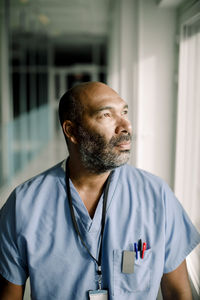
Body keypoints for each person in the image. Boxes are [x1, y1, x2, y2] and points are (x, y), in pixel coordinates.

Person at [0, 81, 199, 300]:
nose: (125, 126)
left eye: (124, 112)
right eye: (106, 115)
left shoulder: (156, 195)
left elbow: (178, 292)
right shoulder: (24, 204)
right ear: (72, 131)